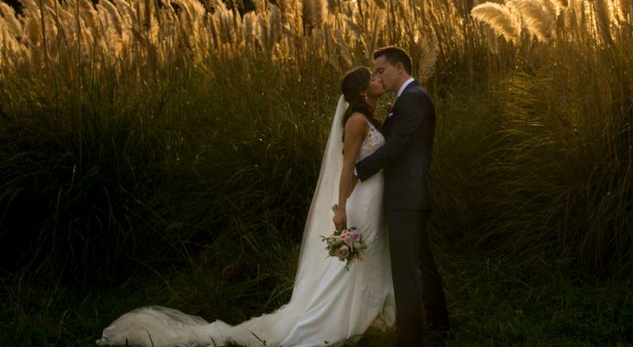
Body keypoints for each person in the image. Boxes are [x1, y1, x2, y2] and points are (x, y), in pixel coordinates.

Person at [98, 67, 395, 346]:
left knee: (369, 257)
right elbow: (346, 168)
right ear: (360, 90)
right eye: (371, 76)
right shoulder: (356, 121)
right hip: (360, 201)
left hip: (372, 198)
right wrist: (341, 208)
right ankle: (338, 320)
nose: (378, 78)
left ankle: (370, 315)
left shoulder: (368, 117)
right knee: (355, 263)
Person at [356, 46, 450, 346]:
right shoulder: (406, 100)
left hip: (407, 196)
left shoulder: (414, 99)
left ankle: (409, 338)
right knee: (420, 260)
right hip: (409, 194)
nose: (378, 77)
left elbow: (395, 147)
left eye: (381, 70)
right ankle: (438, 323)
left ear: (400, 68)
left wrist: (359, 170)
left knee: (405, 269)